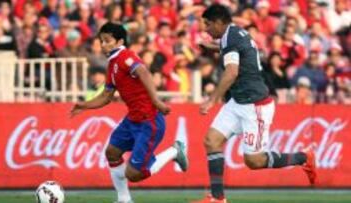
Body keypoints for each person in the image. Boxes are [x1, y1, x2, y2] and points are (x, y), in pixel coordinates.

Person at [192, 4, 316, 203]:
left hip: (255, 106)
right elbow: (238, 51)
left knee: (254, 161)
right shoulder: (233, 34)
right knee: (211, 141)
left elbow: (231, 72)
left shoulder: (230, 37)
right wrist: (213, 48)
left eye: (208, 25)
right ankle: (217, 198)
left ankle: (304, 157)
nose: (205, 30)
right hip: (238, 102)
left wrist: (211, 100)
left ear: (218, 22)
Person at [70, 22, 188, 203]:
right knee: (112, 152)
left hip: (149, 120)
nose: (102, 45)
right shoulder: (112, 64)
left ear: (119, 41)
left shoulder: (126, 56)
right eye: (101, 41)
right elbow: (106, 96)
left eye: (107, 41)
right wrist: (84, 105)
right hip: (132, 119)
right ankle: (124, 200)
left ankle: (174, 152)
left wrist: (156, 101)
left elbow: (144, 72)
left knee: (133, 174)